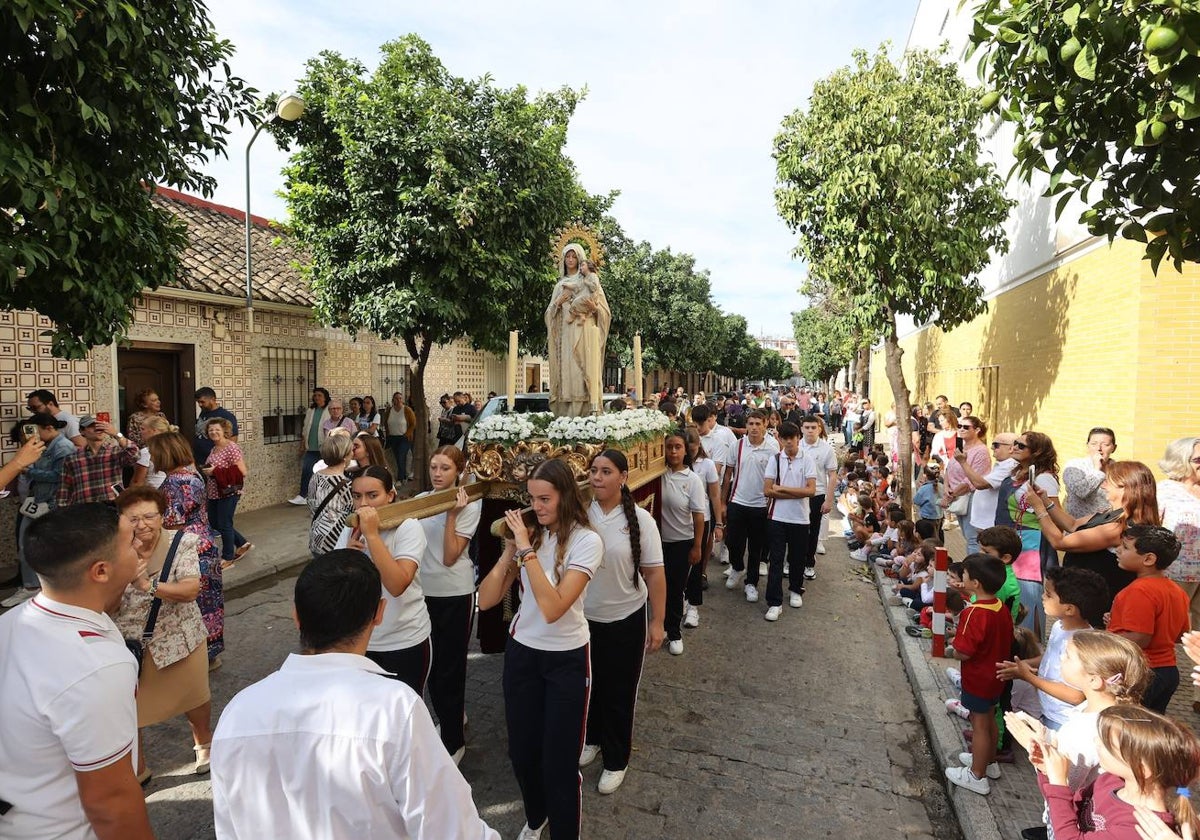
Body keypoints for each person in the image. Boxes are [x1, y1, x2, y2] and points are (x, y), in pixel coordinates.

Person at [210, 550, 499, 840]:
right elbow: (452, 829)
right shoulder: (395, 709)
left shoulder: (237, 712)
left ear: (296, 617)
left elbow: (229, 828)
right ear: (379, 614)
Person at [0, 503, 154, 840]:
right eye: (130, 542)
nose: (140, 545)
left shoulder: (10, 621)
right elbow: (110, 803)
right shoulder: (95, 667)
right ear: (100, 571)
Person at [477, 459, 602, 840]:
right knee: (523, 753)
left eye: (545, 499)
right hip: (523, 653)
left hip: (566, 656)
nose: (537, 507)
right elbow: (486, 601)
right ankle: (536, 816)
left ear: (565, 496)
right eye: (531, 499)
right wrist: (508, 553)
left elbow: (553, 607)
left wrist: (528, 551)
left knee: (560, 764)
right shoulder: (534, 536)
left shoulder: (587, 540)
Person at [1004, 630, 1151, 840]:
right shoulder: (1108, 712)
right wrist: (1045, 734)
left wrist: (1035, 748)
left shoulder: (1084, 730)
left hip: (1071, 820)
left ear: (1094, 680)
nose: (1062, 657)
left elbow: (1063, 786)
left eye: (1069, 655)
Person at [581, 448, 666, 793]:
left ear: (623, 477)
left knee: (619, 691)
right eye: (593, 470)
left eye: (605, 471)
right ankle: (592, 738)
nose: (597, 477)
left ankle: (617, 759)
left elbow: (656, 574)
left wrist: (657, 621)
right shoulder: (579, 514)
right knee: (590, 685)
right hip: (584, 620)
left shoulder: (641, 521)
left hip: (624, 620)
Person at [114, 486, 212, 782]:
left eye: (148, 516)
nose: (141, 524)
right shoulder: (113, 550)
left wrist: (148, 585)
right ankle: (138, 764)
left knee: (194, 696)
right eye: (133, 518)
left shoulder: (181, 543)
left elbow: (191, 590)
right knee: (131, 708)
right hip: (131, 644)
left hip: (180, 639)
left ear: (161, 517)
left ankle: (203, 743)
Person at [1033, 705, 1200, 839]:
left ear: (1141, 769)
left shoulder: (1140, 829)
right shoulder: (1110, 780)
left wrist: (1058, 783)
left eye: (1106, 743)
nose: (1096, 741)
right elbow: (1067, 810)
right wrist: (1048, 773)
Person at [335, 466, 431, 694]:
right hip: (357, 643)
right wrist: (347, 558)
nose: (364, 504)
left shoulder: (409, 527)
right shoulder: (349, 530)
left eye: (372, 495)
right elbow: (336, 590)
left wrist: (372, 535)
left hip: (403, 641)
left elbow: (397, 585)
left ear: (390, 495)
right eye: (357, 496)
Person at [415, 446, 482, 765]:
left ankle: (454, 741)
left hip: (455, 593)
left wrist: (452, 514)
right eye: (433, 467)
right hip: (423, 592)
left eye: (444, 468)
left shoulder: (468, 503)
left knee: (449, 668)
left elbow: (450, 555)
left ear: (459, 470)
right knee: (433, 665)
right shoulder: (420, 502)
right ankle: (453, 715)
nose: (437, 473)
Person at [996, 566, 1110, 733]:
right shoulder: (1059, 626)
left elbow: (1076, 696)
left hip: (1063, 720)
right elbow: (1049, 657)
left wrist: (1028, 677)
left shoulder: (1083, 645)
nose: (1042, 597)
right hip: (1047, 710)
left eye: (1048, 594)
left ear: (1069, 609)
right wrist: (1023, 665)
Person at [1032, 460, 1160, 601]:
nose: (1103, 485)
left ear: (1125, 488)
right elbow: (1072, 525)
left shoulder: (1118, 528)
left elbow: (1059, 542)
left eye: (1107, 481)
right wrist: (1045, 500)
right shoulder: (1113, 513)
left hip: (1095, 598)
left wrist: (1038, 508)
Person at [149, 431, 224, 668]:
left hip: (187, 549)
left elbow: (173, 524)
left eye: (153, 453)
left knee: (193, 605)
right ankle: (210, 654)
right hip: (205, 543)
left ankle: (196, 658)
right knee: (209, 603)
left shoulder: (174, 484)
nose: (151, 458)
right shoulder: (192, 475)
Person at [944, 552, 1014, 795]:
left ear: (976, 584)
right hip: (996, 676)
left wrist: (951, 651)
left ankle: (977, 775)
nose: (962, 578)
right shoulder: (1000, 607)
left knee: (980, 725)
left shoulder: (974, 612)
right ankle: (988, 762)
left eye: (964, 575)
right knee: (990, 721)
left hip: (978, 678)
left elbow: (963, 652)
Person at [1108, 524, 1189, 714]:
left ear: (1149, 558)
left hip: (1142, 672)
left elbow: (1140, 638)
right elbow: (1180, 635)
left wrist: (1104, 640)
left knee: (1129, 731)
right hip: (1168, 671)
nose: (1118, 550)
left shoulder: (1139, 590)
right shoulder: (1177, 591)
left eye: (1126, 548)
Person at [1, 414, 76, 608]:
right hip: (37, 500)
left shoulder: (63, 447)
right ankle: (32, 587)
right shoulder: (44, 446)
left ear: (48, 427)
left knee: (41, 546)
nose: (32, 435)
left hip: (51, 503)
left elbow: (60, 476)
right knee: (27, 544)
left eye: (35, 429)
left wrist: (26, 470)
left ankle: (37, 588)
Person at [995, 431, 1062, 637]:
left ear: (1037, 451)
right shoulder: (1018, 472)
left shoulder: (1044, 479)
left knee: (1028, 600)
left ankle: (1030, 649)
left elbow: (1056, 516)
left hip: (1031, 547)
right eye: (1015, 443)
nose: (1014, 447)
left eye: (1021, 446)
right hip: (1013, 541)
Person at [1156, 436, 1200, 713]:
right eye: (1198, 460)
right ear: (1181, 461)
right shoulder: (1166, 490)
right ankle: (1156, 687)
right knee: (1167, 632)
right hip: (1176, 571)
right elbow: (1153, 527)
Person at [546, 244, 612, 417]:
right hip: (566, 336)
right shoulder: (560, 285)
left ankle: (588, 411)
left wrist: (594, 308)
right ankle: (567, 415)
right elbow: (549, 314)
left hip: (585, 332)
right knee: (569, 372)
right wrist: (558, 303)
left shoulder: (590, 279)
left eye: (574, 257)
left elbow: (604, 311)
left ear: (580, 259)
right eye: (567, 257)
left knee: (585, 369)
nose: (570, 260)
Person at [722, 410, 780, 599]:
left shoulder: (773, 450)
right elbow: (728, 474)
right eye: (751, 424)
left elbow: (776, 479)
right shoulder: (737, 446)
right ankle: (737, 567)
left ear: (765, 425)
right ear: (746, 426)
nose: (754, 427)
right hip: (737, 501)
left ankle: (751, 583)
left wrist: (772, 505)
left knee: (756, 547)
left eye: (758, 424)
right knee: (732, 541)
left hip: (760, 505)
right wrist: (723, 502)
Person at [762, 421, 817, 618]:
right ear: (780, 439)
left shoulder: (807, 459)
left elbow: (810, 491)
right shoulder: (775, 459)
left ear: (798, 438)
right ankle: (774, 601)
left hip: (800, 519)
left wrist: (782, 489)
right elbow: (768, 490)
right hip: (777, 517)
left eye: (791, 439)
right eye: (784, 439)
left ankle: (796, 589)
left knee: (797, 557)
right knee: (775, 559)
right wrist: (795, 493)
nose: (788, 443)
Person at [658, 431, 705, 653]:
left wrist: (697, 545)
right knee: (658, 587)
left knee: (676, 589)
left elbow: (698, 515)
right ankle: (659, 626)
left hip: (681, 542)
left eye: (678, 447)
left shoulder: (692, 480)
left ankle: (674, 633)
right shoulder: (658, 474)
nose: (673, 451)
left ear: (685, 450)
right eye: (669, 447)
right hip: (658, 542)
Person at [56, 416, 140, 507]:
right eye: (92, 426)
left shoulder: (115, 452)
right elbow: (64, 490)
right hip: (85, 510)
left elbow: (135, 454)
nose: (98, 429)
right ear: (82, 431)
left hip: (112, 508)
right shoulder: (72, 459)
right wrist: (63, 511)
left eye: (101, 426)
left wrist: (117, 434)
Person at [683, 428, 721, 628]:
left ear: (699, 446)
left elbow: (714, 495)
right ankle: (681, 600)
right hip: (678, 521)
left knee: (696, 564)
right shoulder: (676, 464)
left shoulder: (706, 465)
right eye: (687, 449)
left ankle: (693, 606)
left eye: (693, 448)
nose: (690, 453)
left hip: (701, 519)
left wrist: (719, 522)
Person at [201, 417, 251, 569]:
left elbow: (242, 471)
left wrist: (215, 471)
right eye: (210, 430)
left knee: (224, 524)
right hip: (215, 492)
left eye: (217, 429)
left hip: (229, 492)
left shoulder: (231, 447)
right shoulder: (214, 448)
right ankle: (242, 543)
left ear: (224, 431)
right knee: (215, 522)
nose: (213, 432)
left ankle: (228, 558)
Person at [946, 416, 992, 554]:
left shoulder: (981, 451)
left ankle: (973, 569)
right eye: (959, 426)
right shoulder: (961, 447)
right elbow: (949, 468)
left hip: (971, 497)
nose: (961, 429)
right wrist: (947, 488)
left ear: (977, 430)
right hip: (956, 496)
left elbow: (972, 479)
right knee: (966, 535)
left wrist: (951, 495)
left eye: (966, 427)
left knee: (972, 537)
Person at [799, 415, 838, 573]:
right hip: (798, 494)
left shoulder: (826, 449)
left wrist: (829, 501)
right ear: (802, 429)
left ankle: (809, 563)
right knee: (796, 530)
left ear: (819, 429)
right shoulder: (796, 445)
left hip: (817, 494)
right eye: (807, 427)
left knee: (813, 530)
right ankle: (792, 561)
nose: (810, 431)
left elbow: (832, 475)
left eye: (813, 428)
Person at [307, 433, 355, 558]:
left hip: (316, 538)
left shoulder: (315, 476)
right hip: (335, 543)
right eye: (350, 451)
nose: (353, 454)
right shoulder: (347, 485)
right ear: (344, 457)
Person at [1062, 427, 1118, 519]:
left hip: (1110, 526)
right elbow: (1081, 491)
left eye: (1105, 444)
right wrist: (1097, 470)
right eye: (1093, 444)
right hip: (1080, 528)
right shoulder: (1074, 466)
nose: (1099, 448)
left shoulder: (1118, 469)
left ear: (1114, 448)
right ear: (1087, 445)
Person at [290, 387, 331, 505]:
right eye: (315, 395)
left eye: (319, 395)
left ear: (325, 397)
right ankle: (303, 495)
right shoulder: (311, 410)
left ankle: (322, 497)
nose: (317, 397)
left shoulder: (329, 410)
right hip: (311, 447)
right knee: (307, 470)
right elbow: (305, 428)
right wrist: (302, 445)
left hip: (324, 447)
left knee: (324, 473)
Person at [193, 387, 238, 469]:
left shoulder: (226, 416)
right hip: (199, 460)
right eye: (198, 402)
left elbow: (232, 440)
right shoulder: (203, 413)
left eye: (202, 402)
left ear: (212, 399)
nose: (200, 405)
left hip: (215, 463)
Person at [131, 415, 176, 488]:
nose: (140, 432)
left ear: (154, 431)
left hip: (153, 493)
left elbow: (137, 482)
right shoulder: (173, 449)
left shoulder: (146, 452)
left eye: (143, 429)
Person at [383, 392, 417, 481]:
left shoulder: (407, 410)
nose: (398, 400)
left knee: (401, 456)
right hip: (392, 437)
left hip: (404, 438)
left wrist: (407, 434)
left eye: (400, 398)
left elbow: (413, 424)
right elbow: (386, 423)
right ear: (393, 400)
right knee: (396, 458)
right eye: (396, 398)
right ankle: (404, 475)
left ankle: (400, 479)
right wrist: (387, 435)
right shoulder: (389, 410)